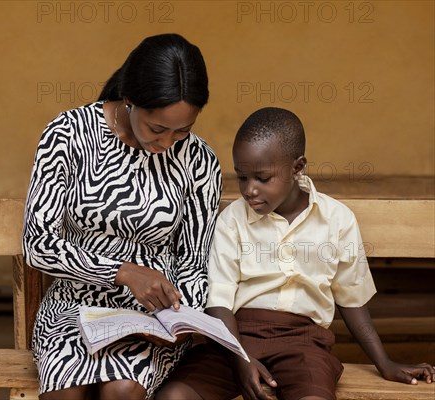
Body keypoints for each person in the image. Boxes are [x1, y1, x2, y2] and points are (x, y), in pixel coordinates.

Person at [156, 107, 435, 400]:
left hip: (304, 342)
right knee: (175, 395)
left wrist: (385, 363)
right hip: (235, 338)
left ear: (297, 168)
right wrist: (240, 359)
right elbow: (218, 302)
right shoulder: (233, 220)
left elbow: (352, 300)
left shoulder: (336, 220)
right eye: (242, 177)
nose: (249, 190)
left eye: (262, 178)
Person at [22, 33, 222, 400]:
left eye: (182, 131)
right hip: (74, 305)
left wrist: (181, 320)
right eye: (158, 128)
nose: (167, 143)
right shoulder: (68, 135)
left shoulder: (198, 159)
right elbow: (38, 245)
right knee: (67, 391)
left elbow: (194, 261)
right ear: (129, 101)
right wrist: (123, 272)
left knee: (123, 390)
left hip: (154, 318)